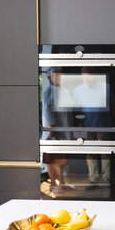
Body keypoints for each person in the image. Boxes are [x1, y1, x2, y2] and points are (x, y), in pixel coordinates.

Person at [41, 67, 71, 195]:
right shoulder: (49, 91)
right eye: (56, 75)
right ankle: (53, 185)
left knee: (61, 159)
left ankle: (62, 183)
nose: (59, 78)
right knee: (51, 159)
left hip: (64, 129)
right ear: (49, 77)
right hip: (54, 131)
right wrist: (51, 127)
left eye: (61, 75)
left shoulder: (64, 90)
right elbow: (47, 109)